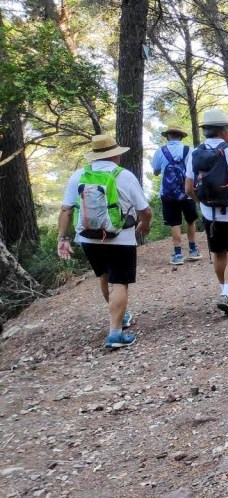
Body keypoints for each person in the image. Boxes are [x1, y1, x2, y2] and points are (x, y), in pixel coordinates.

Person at [56, 134, 153, 349]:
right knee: (119, 282)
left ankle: (121, 317)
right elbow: (144, 210)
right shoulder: (125, 176)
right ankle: (115, 334)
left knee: (104, 276)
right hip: (121, 238)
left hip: (88, 238)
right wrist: (145, 223)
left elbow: (66, 209)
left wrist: (62, 238)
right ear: (115, 156)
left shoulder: (78, 175)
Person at [185, 108, 228, 316]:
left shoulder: (194, 153)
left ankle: (224, 290)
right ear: (224, 130)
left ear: (205, 131)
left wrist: (202, 202)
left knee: (218, 253)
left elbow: (188, 188)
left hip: (209, 213)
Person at [151, 125, 201, 265]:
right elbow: (194, 171)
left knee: (174, 223)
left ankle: (178, 254)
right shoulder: (189, 150)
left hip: (168, 193)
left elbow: (155, 171)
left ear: (168, 136)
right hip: (187, 192)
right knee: (191, 220)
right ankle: (193, 250)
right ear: (181, 136)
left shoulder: (160, 151)